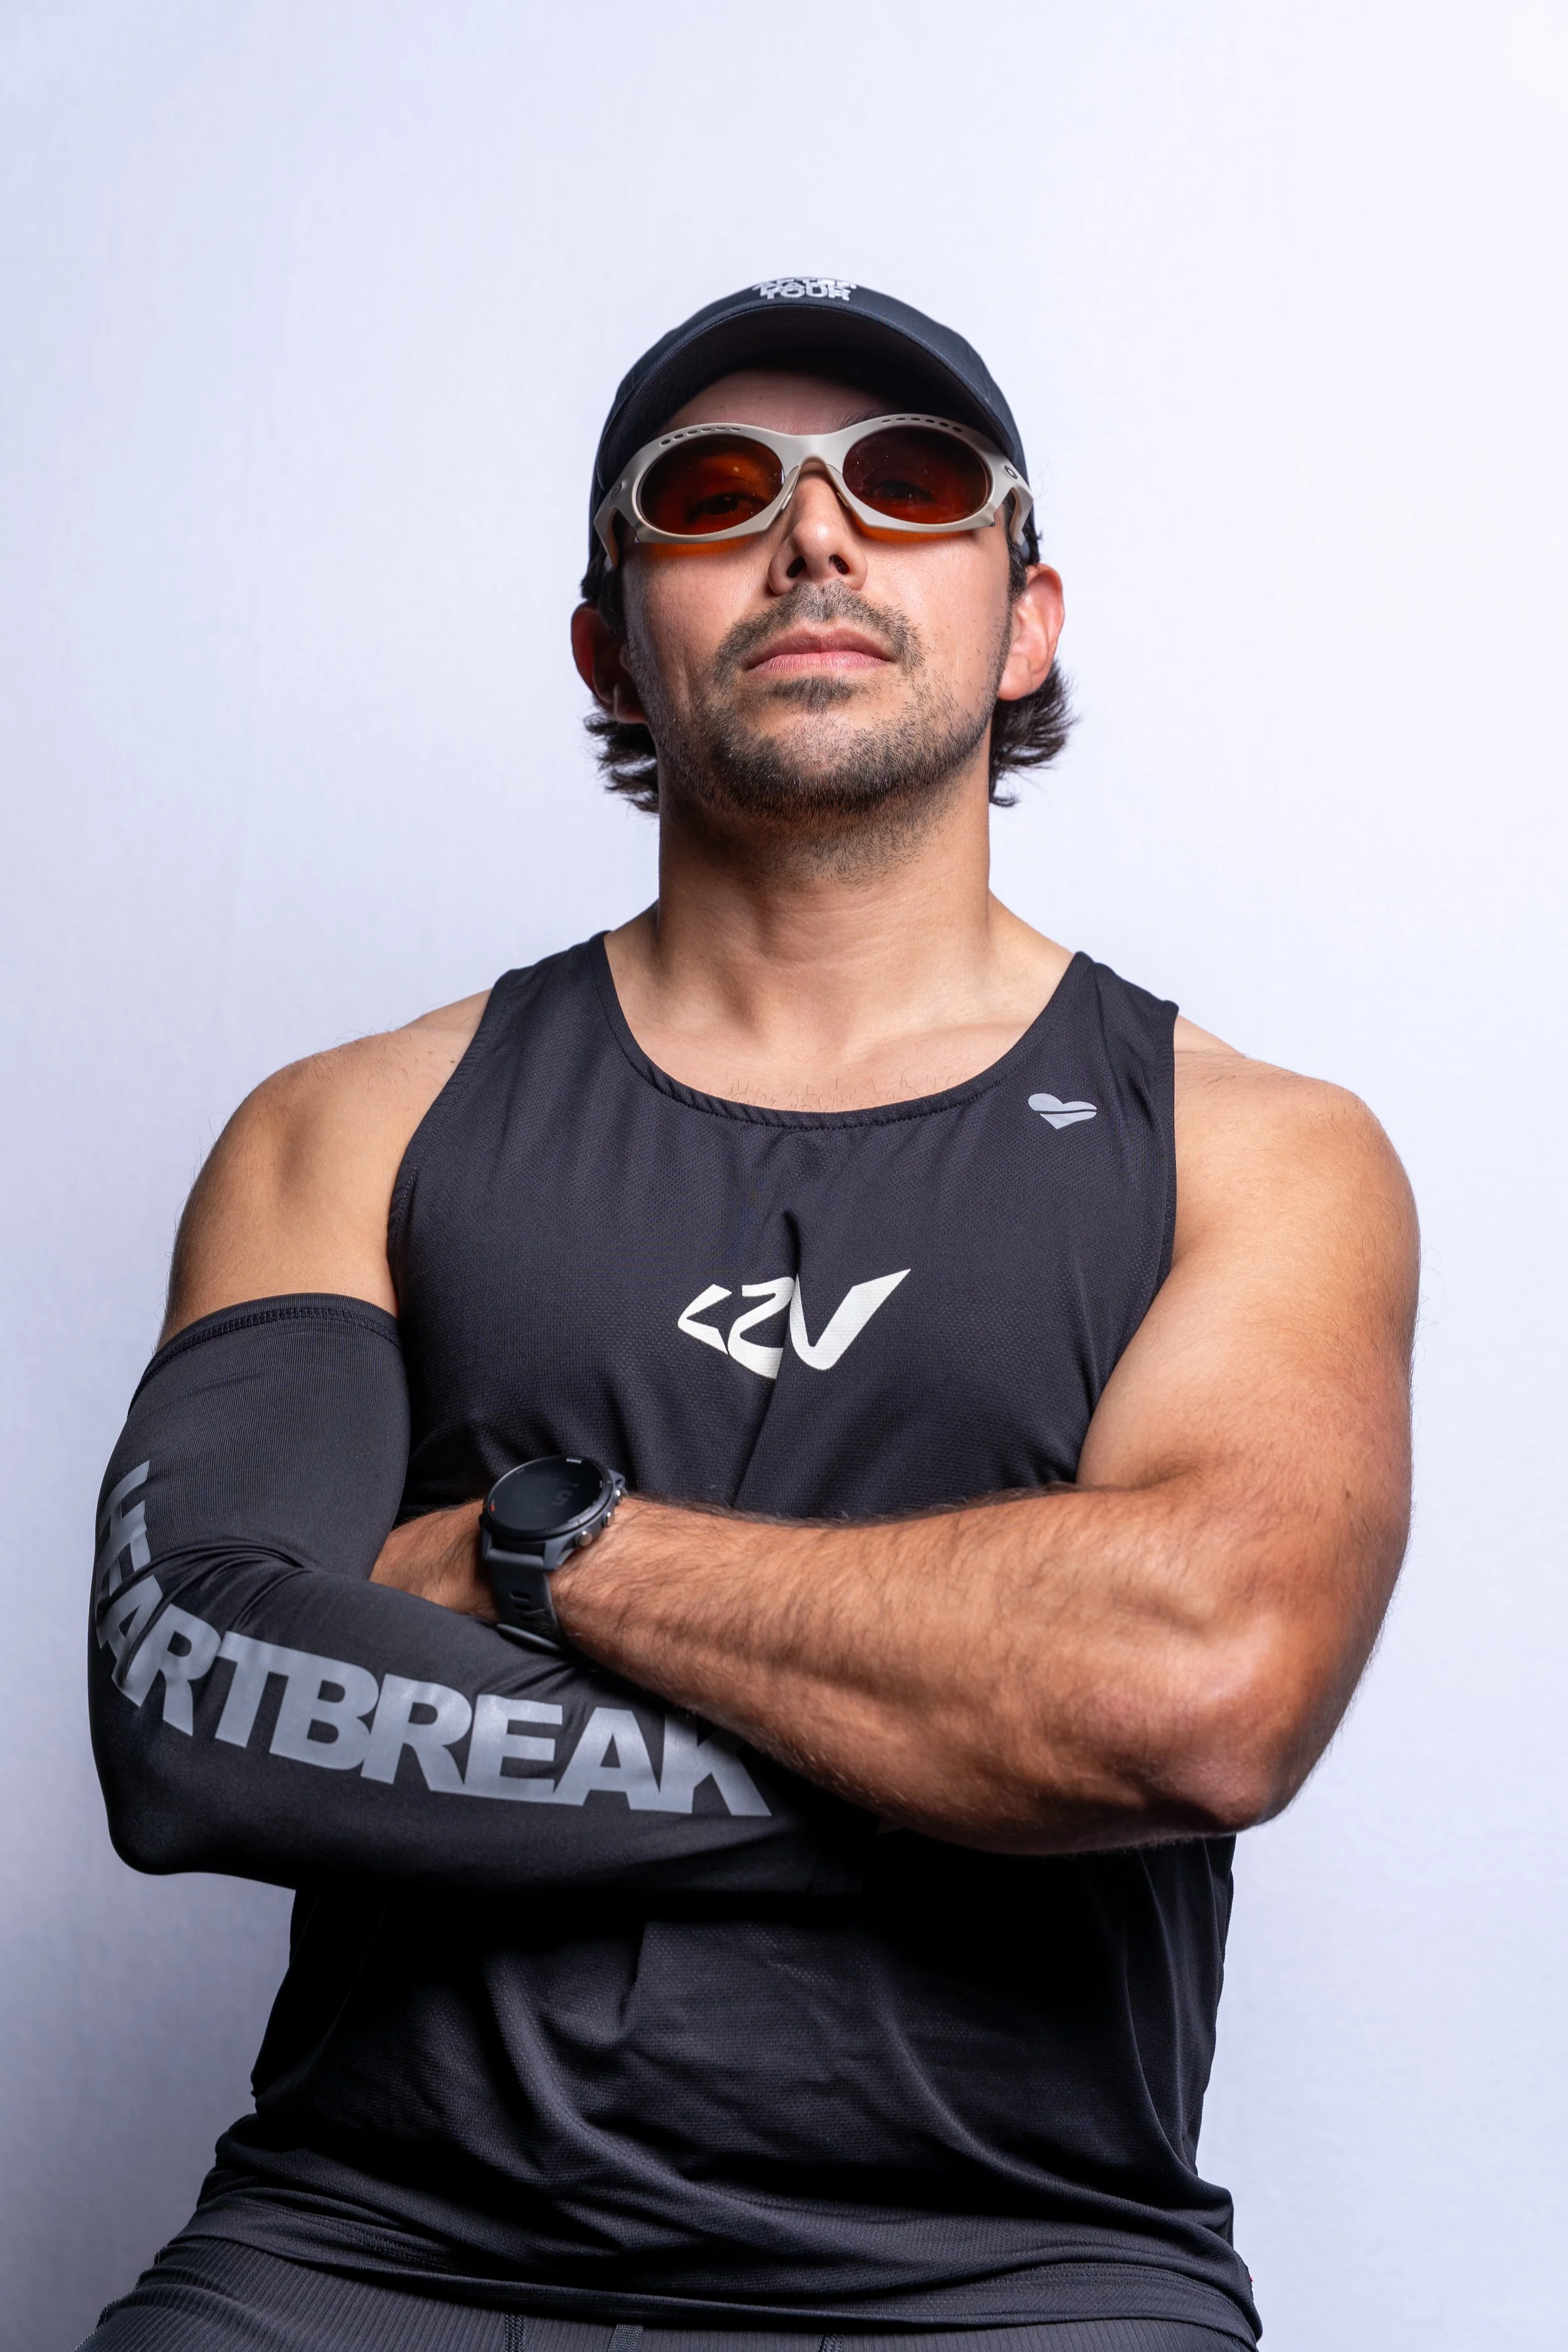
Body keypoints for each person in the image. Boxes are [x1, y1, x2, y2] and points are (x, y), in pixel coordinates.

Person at [82, 280, 1417, 2352]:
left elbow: (1201, 1682)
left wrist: (544, 1544)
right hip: (370, 2254)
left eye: (906, 482)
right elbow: (195, 1708)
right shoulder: (352, 1122)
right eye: (715, 494)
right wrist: (956, 1757)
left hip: (1016, 2279)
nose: (816, 537)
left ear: (1025, 616)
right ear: (614, 637)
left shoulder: (1250, 1149)